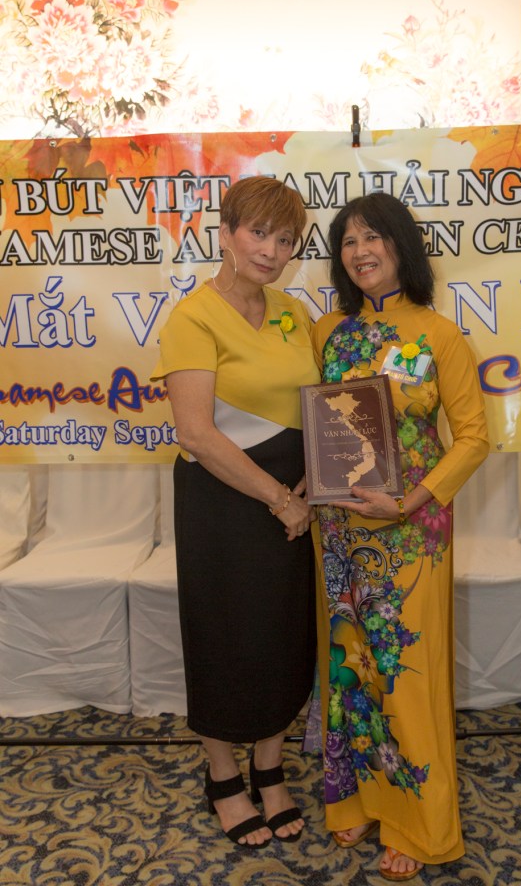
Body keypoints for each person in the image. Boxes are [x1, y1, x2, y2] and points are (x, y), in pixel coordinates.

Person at [310, 192, 489, 880]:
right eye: (348, 241)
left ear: (400, 246)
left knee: (405, 671)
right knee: (350, 667)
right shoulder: (327, 332)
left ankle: (418, 824)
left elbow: (472, 439)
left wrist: (410, 501)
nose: (360, 251)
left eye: (372, 237)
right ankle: (354, 798)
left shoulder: (439, 335)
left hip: (411, 532)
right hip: (340, 531)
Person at [151, 176, 318, 849]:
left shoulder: (292, 311)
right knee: (222, 635)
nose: (271, 251)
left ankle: (269, 769)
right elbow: (196, 433)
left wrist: (311, 484)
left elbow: (318, 405)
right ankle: (222, 774)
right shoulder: (192, 317)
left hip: (295, 500)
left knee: (282, 632)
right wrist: (280, 498)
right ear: (224, 233)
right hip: (223, 501)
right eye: (258, 233)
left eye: (286, 240)